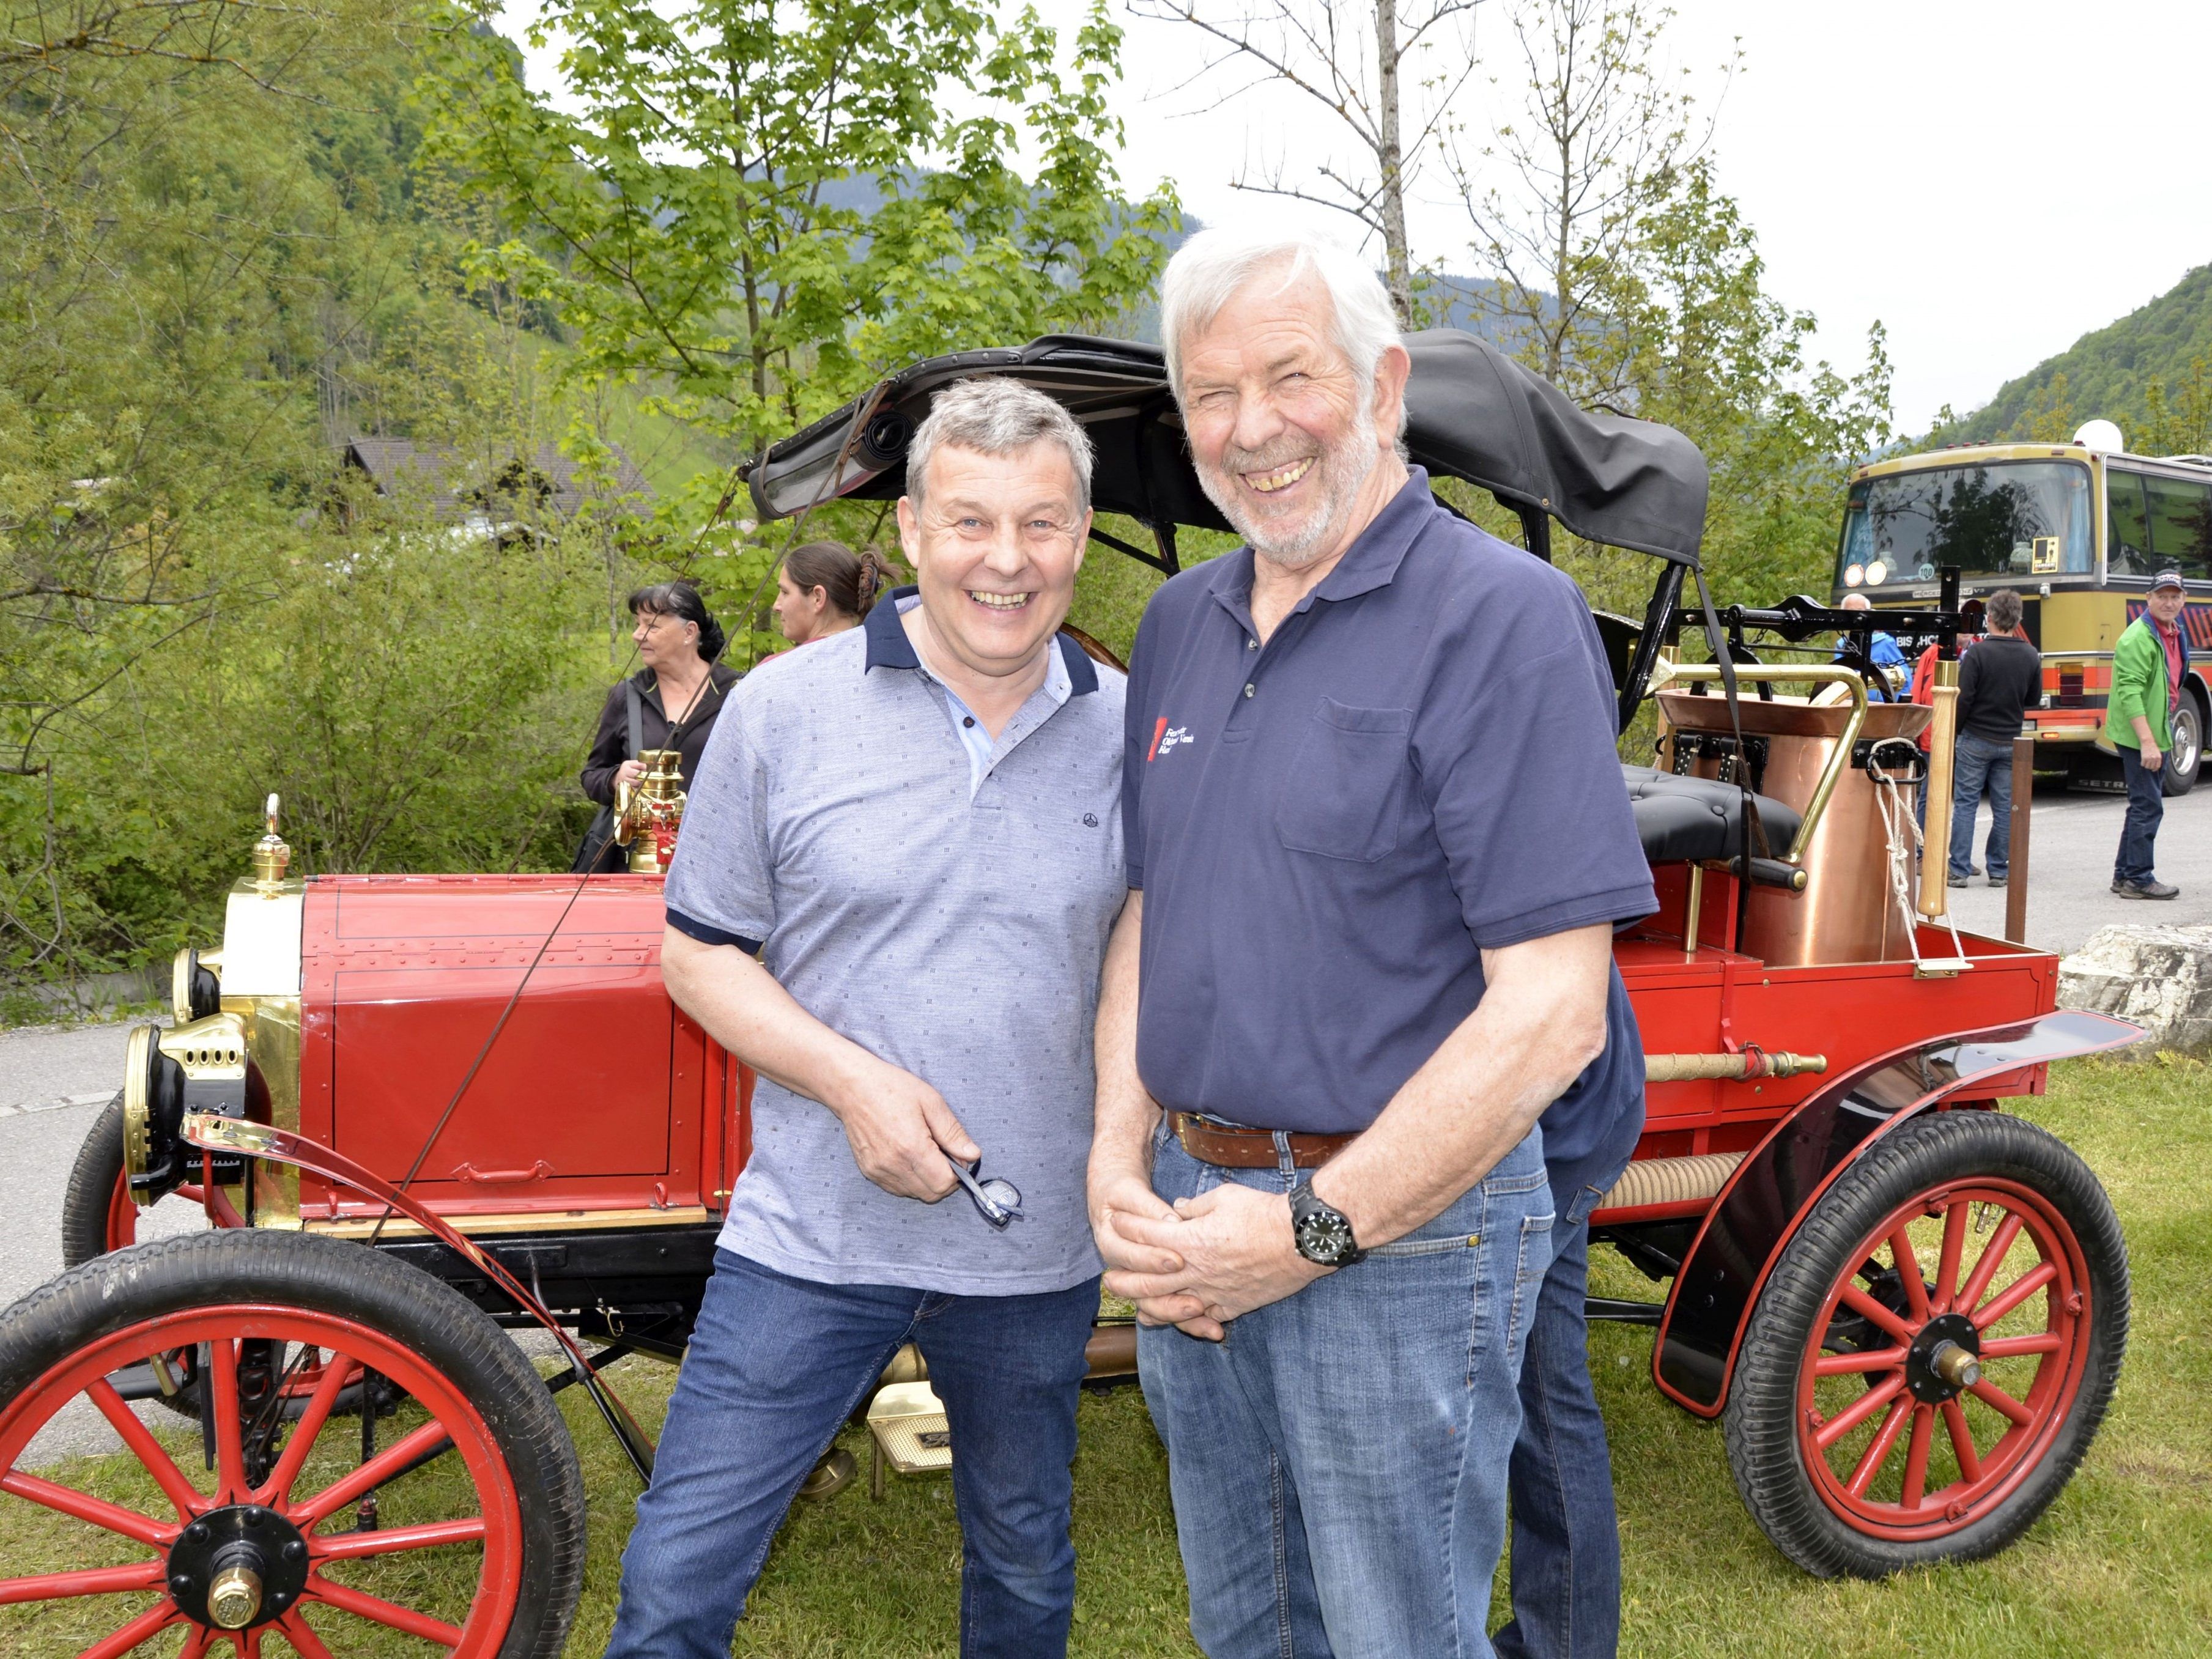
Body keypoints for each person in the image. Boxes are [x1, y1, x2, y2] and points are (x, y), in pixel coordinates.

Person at [1088, 229, 1655, 1659]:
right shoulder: (1175, 623)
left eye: (1291, 376)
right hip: (1188, 1209)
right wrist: (1115, 1156)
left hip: (1397, 1237)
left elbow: (1550, 1013)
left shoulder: (1499, 618)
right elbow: (1155, 909)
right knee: (1245, 1625)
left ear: (1382, 382)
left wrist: (1311, 1228)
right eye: (1209, 393)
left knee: (1392, 1632)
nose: (1250, 428)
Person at [602, 377, 1126, 1659]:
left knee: (1022, 1566)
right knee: (678, 1580)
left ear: (1079, 535)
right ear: (905, 528)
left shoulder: (1132, 732)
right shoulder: (783, 709)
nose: (1005, 560)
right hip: (808, 1237)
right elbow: (698, 953)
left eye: (1041, 525)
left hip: (1031, 1252)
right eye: (969, 522)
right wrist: (851, 1082)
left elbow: (1139, 953)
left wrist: (1121, 1147)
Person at [576, 582, 740, 871]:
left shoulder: (738, 692)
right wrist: (616, 779)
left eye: (652, 626)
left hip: (717, 865)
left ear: (690, 632)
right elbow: (592, 775)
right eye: (638, 624)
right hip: (637, 870)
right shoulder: (626, 695)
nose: (637, 635)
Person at [1947, 588, 2041, 889]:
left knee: (1965, 804)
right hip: (2010, 739)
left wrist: (1955, 732)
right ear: (2018, 618)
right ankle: (1998, 869)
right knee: (2005, 807)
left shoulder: (1978, 653)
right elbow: (2034, 698)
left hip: (1975, 737)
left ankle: (1959, 870)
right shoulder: (2029, 653)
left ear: (1989, 618)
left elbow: (1965, 698)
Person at [2106, 567, 2189, 899]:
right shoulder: (2137, 638)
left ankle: (2124, 875)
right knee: (2149, 806)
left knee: (2141, 804)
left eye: (2174, 597)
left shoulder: (2174, 631)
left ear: (2183, 600)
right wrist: (2147, 743)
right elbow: (2129, 693)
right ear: (2149, 599)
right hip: (2139, 733)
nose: (2168, 602)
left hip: (2158, 728)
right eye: (2162, 596)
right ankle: (2139, 880)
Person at [768, 539, 894, 649]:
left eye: (785, 592)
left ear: (818, 598)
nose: (776, 606)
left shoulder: (775, 670)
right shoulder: (884, 660)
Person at [1838, 592, 1907, 698]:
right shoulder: (1840, 646)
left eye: (1859, 611)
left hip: (1880, 708)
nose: (1855, 617)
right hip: (1848, 706)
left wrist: (1896, 707)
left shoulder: (1885, 642)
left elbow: (1905, 678)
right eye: (1849, 612)